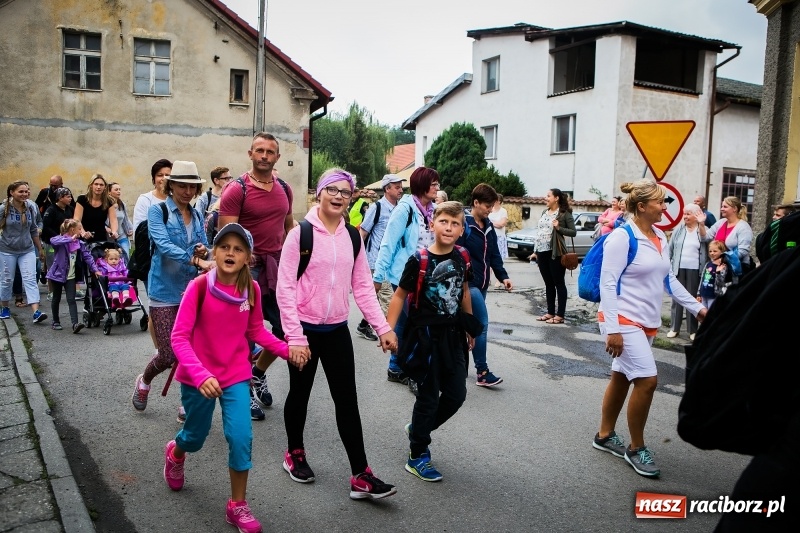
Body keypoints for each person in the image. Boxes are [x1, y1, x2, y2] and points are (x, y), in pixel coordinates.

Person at [165, 223, 296, 533]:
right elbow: (179, 337)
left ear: (248, 257)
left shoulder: (250, 289)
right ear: (215, 251)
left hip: (236, 375)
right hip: (199, 377)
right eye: (225, 247)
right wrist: (199, 374)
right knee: (194, 437)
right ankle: (176, 452)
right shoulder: (198, 287)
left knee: (241, 437)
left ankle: (237, 505)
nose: (230, 253)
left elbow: (255, 331)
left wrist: (287, 350)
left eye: (238, 249)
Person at [276, 168, 398, 500]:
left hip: (337, 331)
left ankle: (361, 474)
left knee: (347, 401)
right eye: (333, 190)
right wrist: (295, 337)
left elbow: (362, 287)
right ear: (320, 192)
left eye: (345, 192)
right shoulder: (300, 234)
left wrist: (382, 326)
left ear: (351, 198)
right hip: (304, 331)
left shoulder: (353, 237)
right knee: (299, 394)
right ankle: (295, 453)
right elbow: (285, 289)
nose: (339, 196)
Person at [592, 179, 707, 478]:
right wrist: (614, 328)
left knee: (621, 376)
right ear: (642, 206)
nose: (665, 207)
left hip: (646, 321)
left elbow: (669, 280)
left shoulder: (659, 236)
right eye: (660, 202)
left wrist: (699, 309)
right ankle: (636, 447)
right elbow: (608, 283)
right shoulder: (622, 237)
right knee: (647, 380)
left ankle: (604, 435)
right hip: (621, 320)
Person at [386, 200, 479, 481]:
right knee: (427, 397)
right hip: (425, 339)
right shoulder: (419, 260)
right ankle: (418, 455)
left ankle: (418, 428)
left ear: (462, 229)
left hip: (453, 337)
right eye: (444, 222)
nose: (449, 228)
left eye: (455, 223)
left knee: (456, 395)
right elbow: (400, 296)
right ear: (432, 224)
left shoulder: (463, 257)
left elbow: (463, 293)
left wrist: (469, 328)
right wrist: (388, 330)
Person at [218, 132, 294, 421]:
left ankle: (257, 372)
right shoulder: (237, 189)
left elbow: (289, 228)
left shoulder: (285, 188)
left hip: (277, 268)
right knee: (244, 335)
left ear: (276, 156)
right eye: (259, 150)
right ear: (250, 153)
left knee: (286, 329)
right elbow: (227, 237)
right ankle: (244, 390)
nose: (264, 156)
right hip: (246, 271)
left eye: (270, 152)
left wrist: (299, 258)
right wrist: (240, 261)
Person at [131, 161, 212, 422]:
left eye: (192, 186)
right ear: (171, 185)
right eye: (182, 185)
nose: (187, 191)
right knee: (167, 354)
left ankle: (186, 401)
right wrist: (195, 260)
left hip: (191, 289)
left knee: (193, 349)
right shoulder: (158, 211)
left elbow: (204, 243)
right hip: (164, 290)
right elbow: (163, 245)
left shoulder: (197, 213)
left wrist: (202, 250)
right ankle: (144, 381)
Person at [373, 166, 439, 393]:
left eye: (438, 184)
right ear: (421, 184)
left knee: (403, 324)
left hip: (429, 277)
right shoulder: (405, 210)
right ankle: (413, 372)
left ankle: (395, 368)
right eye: (433, 184)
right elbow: (388, 243)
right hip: (405, 276)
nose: (437, 187)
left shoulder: (434, 210)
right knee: (417, 325)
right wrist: (378, 276)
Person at [458, 184, 512, 387]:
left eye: (492, 206)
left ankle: (459, 365)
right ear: (476, 203)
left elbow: (494, 255)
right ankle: (482, 371)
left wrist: (503, 276)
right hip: (468, 284)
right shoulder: (464, 224)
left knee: (467, 327)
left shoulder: (488, 227)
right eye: (487, 206)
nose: (490, 209)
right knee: (481, 324)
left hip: (482, 284)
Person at [356, 173, 405, 341]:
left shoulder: (401, 208)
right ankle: (392, 338)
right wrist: (357, 259)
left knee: (373, 296)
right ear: (387, 189)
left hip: (395, 262)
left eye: (401, 186)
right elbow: (363, 232)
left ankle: (364, 325)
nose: (401, 190)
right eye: (397, 187)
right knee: (389, 299)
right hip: (377, 261)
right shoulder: (376, 208)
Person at [0, 181, 47, 323]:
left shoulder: (31, 207)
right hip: (7, 250)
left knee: (30, 278)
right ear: (12, 193)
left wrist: (39, 248)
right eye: (21, 192)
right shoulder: (3, 209)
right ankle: (5, 307)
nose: (24, 194)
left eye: (26, 191)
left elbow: (33, 229)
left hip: (27, 249)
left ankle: (36, 312)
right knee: (7, 279)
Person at [527, 188, 576, 325]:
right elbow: (540, 232)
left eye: (548, 196)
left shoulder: (564, 214)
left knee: (559, 283)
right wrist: (535, 251)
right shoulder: (544, 212)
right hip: (542, 252)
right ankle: (550, 312)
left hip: (555, 253)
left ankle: (560, 315)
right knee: (548, 284)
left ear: (556, 198)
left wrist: (559, 227)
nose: (545, 198)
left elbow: (573, 232)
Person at [46, 219, 101, 332]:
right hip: (57, 275)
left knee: (71, 299)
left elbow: (88, 257)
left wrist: (95, 269)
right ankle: (55, 321)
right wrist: (69, 239)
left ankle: (75, 324)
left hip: (70, 276)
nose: (81, 231)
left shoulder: (79, 244)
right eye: (79, 229)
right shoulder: (61, 241)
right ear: (72, 230)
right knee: (56, 298)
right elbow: (53, 241)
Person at [666, 204, 708, 341]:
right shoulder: (679, 230)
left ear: (696, 215)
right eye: (684, 214)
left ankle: (692, 330)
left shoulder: (702, 230)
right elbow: (670, 249)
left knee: (691, 299)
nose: (685, 217)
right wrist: (667, 265)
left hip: (696, 269)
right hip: (678, 268)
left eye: (688, 214)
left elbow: (705, 241)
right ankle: (674, 328)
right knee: (677, 299)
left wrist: (701, 224)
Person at [42, 187, 75, 301]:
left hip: (67, 244)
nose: (70, 199)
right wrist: (58, 237)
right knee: (52, 266)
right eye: (68, 196)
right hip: (52, 243)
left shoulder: (70, 209)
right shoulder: (51, 210)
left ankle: (68, 288)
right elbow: (46, 226)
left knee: (67, 264)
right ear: (60, 198)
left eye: (70, 196)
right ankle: (51, 291)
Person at [704, 196, 753, 271]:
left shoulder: (743, 227)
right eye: (722, 206)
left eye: (725, 207)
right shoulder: (721, 222)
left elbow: (743, 251)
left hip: (737, 269)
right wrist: (701, 223)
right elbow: (705, 237)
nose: (721, 209)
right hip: (719, 266)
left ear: (734, 209)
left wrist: (723, 260)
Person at [74, 174, 118, 243]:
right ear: (91, 186)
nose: (98, 187)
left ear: (105, 187)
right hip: (84, 237)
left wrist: (114, 231)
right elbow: (77, 219)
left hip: (100, 238)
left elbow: (113, 220)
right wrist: (83, 232)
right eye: (96, 184)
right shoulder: (82, 199)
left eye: (101, 185)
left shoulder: (109, 201)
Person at [133, 159, 172, 229]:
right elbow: (138, 230)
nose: (164, 178)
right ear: (154, 179)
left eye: (167, 175)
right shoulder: (144, 200)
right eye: (160, 175)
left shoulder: (176, 199)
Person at [697, 240, 734, 309]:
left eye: (715, 251)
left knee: (711, 315)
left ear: (722, 252)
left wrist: (718, 272)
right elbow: (702, 279)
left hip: (713, 295)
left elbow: (721, 284)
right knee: (703, 315)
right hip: (704, 294)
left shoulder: (723, 266)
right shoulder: (708, 264)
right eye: (710, 251)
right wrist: (699, 293)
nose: (712, 253)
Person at [106, 183, 134, 258]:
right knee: (112, 260)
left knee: (125, 257)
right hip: (109, 238)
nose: (119, 191)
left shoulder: (122, 204)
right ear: (109, 192)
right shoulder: (105, 205)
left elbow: (126, 218)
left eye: (119, 189)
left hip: (122, 236)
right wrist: (107, 229)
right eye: (116, 190)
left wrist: (130, 229)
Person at [489, 194, 509, 261]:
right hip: (490, 236)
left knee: (499, 259)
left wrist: (491, 223)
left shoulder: (503, 211)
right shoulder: (490, 210)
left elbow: (501, 224)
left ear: (499, 201)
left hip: (499, 237)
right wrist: (495, 223)